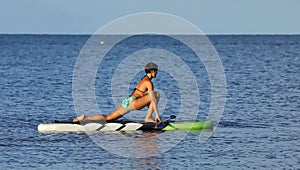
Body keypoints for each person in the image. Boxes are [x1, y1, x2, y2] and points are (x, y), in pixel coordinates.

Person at [73, 62, 162, 123]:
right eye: (156, 71)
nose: (157, 73)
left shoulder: (143, 79)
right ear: (152, 71)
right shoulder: (148, 82)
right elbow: (153, 100)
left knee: (108, 118)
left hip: (127, 102)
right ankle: (148, 118)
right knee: (156, 94)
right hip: (134, 102)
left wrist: (150, 109)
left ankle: (85, 118)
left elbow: (148, 101)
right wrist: (157, 115)